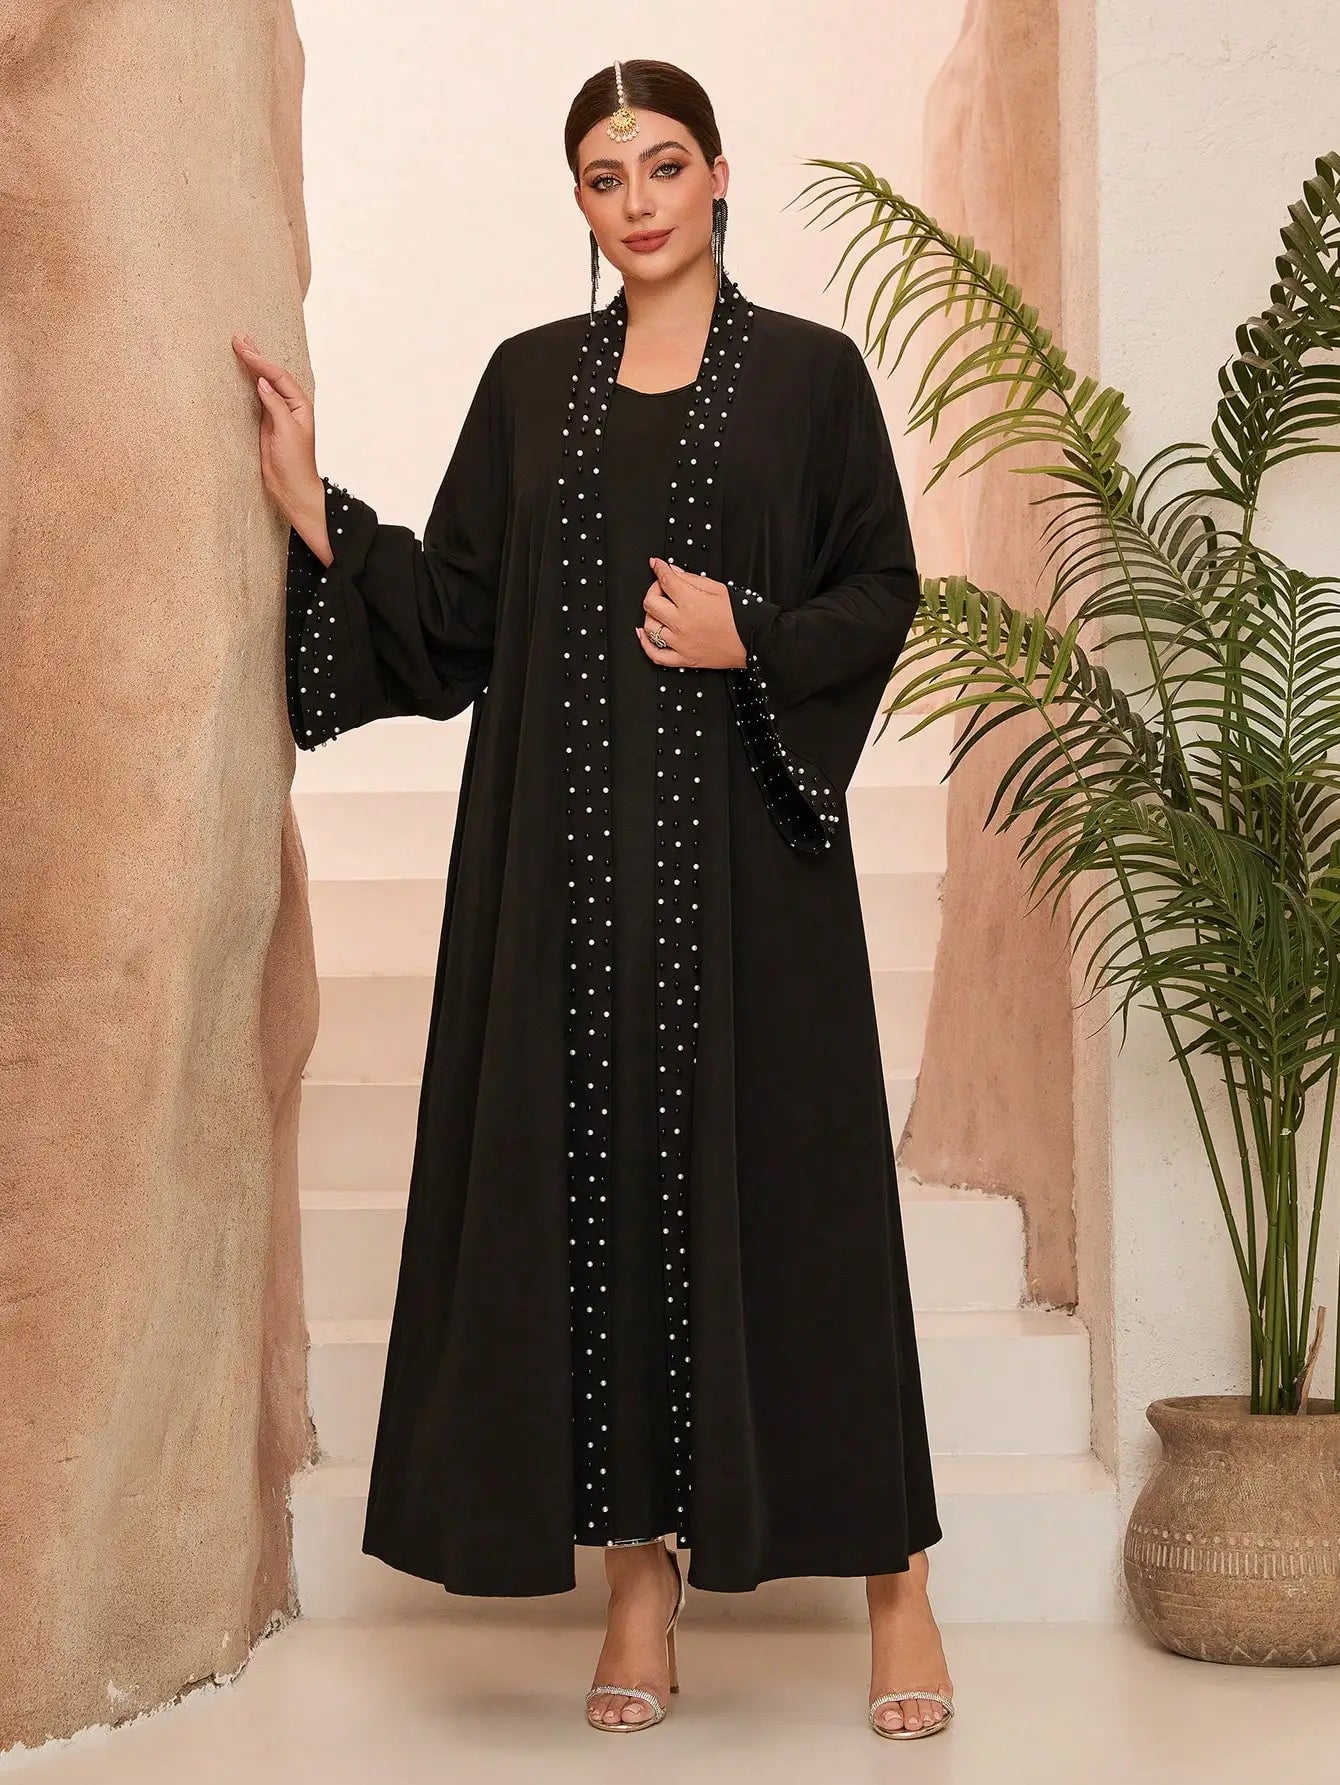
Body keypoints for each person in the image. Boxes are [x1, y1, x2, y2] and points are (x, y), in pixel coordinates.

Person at [232, 55, 954, 1742]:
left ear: (720, 176)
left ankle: (898, 1586)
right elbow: (457, 617)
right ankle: (638, 1587)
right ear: (579, 200)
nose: (639, 200)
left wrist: (750, 633)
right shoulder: (530, 382)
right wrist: (315, 507)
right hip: (564, 879)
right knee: (605, 1199)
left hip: (753, 882)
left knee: (808, 1210)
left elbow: (884, 587)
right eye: (606, 176)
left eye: (666, 165)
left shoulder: (810, 377)